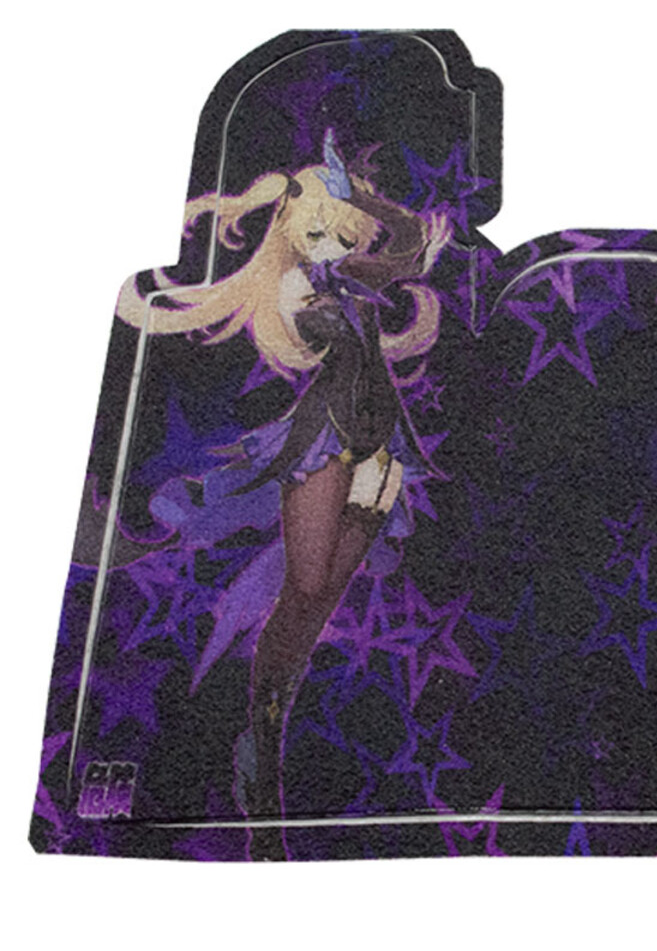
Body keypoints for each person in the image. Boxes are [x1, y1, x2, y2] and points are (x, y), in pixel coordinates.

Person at [118, 131, 451, 855]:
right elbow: (328, 321)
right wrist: (332, 248)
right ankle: (261, 728)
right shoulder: (295, 286)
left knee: (321, 597)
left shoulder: (347, 272)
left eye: (342, 233)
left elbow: (405, 246)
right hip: (323, 441)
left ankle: (271, 722)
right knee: (306, 584)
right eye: (319, 230)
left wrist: (362, 201)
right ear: (291, 226)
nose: (334, 244)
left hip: (381, 446)